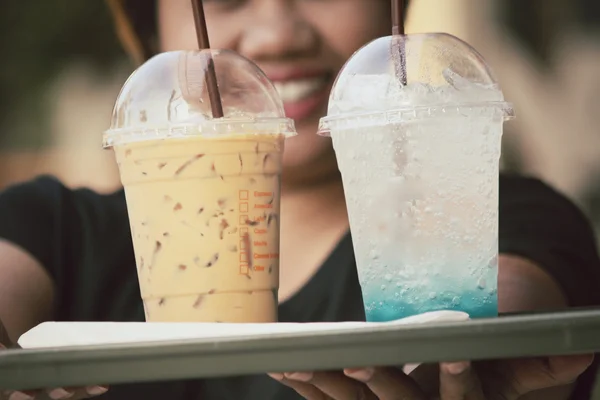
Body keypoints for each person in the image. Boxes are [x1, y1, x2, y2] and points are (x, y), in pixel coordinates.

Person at [1, 0, 600, 399]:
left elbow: (506, 320)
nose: (279, 35)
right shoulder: (50, 230)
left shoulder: (514, 219)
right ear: (152, 27)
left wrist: (476, 357)